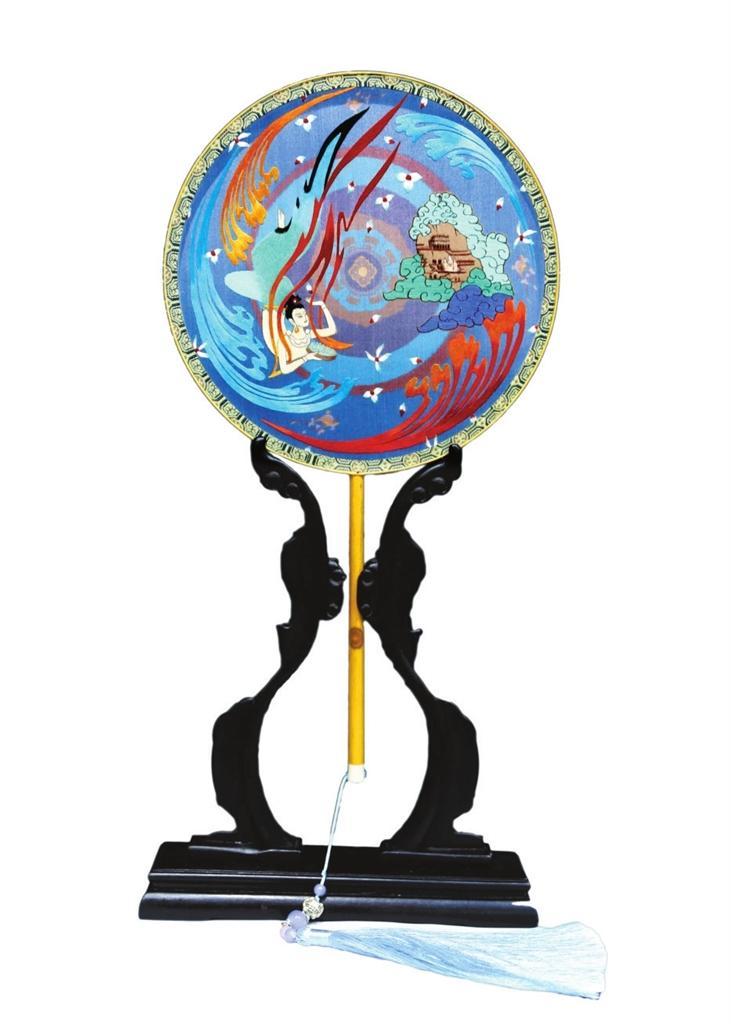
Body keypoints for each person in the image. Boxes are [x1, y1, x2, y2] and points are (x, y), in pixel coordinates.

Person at [263, 294, 338, 376]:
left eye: (305, 314)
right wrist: (321, 305)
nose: (305, 318)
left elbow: (284, 369)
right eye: (300, 316)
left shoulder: (306, 336)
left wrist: (322, 305)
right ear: (292, 321)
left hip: (275, 318)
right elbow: (284, 369)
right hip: (277, 316)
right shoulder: (287, 339)